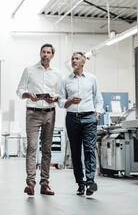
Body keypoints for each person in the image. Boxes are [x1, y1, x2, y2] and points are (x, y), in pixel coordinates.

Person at [16, 43, 61, 196]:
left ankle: (45, 184)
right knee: (32, 147)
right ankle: (30, 183)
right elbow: (19, 91)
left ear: (52, 56)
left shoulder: (57, 73)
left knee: (47, 150)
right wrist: (28, 95)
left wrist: (55, 98)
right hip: (32, 113)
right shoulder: (29, 70)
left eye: (49, 52)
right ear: (40, 53)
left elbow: (60, 94)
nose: (45, 55)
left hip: (50, 113)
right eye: (43, 52)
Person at [58, 52, 104, 196]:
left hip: (89, 118)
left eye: (77, 58)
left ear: (83, 62)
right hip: (72, 118)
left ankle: (90, 182)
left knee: (90, 150)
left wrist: (97, 114)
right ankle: (80, 183)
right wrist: (70, 101)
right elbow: (60, 101)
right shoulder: (66, 80)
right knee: (76, 152)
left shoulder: (92, 79)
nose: (73, 61)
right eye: (72, 59)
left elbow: (98, 99)